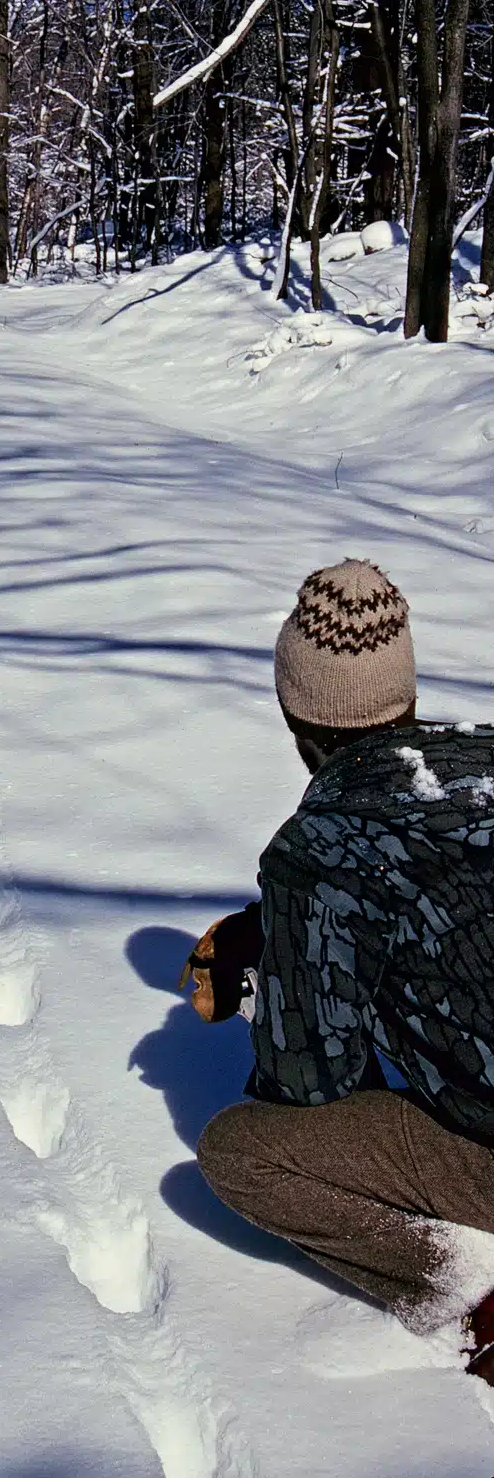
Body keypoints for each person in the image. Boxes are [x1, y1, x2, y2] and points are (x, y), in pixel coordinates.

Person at [186, 558, 494, 1380]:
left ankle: (470, 1290)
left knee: (241, 1153)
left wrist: (272, 982)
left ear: (296, 715)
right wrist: (277, 928)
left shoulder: (317, 854)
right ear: (408, 693)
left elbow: (309, 1084)